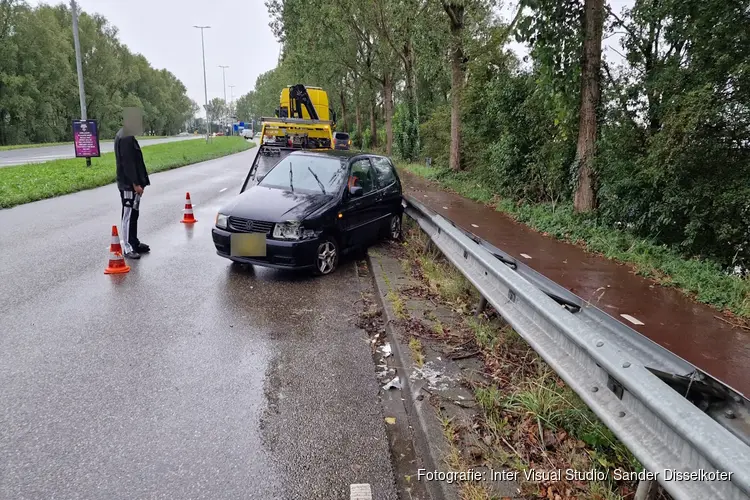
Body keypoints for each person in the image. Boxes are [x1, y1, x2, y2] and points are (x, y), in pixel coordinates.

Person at [115, 108, 150, 259]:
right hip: (129, 184)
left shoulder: (126, 135)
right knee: (128, 215)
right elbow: (128, 164)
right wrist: (135, 183)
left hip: (132, 183)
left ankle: (134, 241)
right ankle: (128, 246)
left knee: (134, 213)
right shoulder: (126, 138)